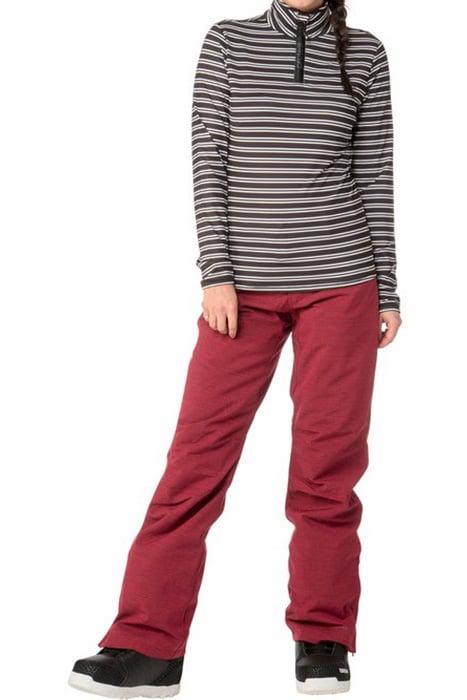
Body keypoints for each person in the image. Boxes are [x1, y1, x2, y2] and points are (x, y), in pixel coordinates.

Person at [68, 0, 402, 696]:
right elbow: (208, 158)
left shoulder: (366, 52)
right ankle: (148, 644)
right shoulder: (227, 42)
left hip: (343, 283)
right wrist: (215, 273)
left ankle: (322, 637)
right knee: (195, 462)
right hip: (240, 291)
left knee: (327, 467)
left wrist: (388, 289)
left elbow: (374, 173)